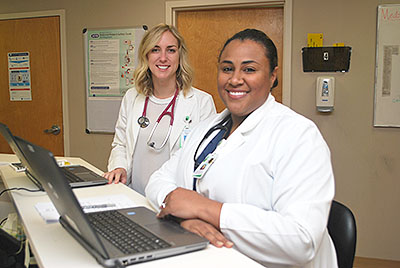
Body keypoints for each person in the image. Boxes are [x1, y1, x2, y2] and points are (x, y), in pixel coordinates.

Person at [145, 29, 337, 268]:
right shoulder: (206, 129)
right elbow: (158, 180)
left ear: (272, 75)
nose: (235, 79)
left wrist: (207, 210)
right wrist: (183, 217)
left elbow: (301, 241)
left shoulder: (299, 136)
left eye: (249, 69)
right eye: (227, 68)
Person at [104, 23, 216, 195]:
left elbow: (206, 159)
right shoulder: (132, 97)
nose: (163, 58)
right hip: (134, 196)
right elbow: (120, 144)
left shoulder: (201, 102)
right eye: (155, 49)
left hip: (173, 200)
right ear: (146, 55)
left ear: (180, 56)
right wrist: (119, 167)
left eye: (171, 50)